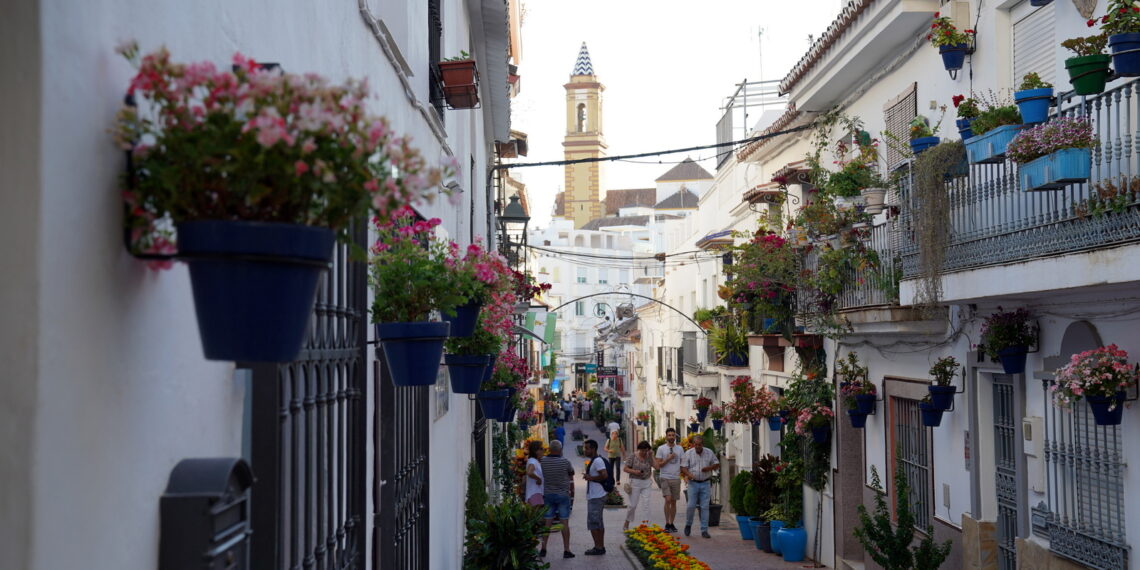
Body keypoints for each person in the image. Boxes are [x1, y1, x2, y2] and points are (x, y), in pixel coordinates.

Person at [539, 440, 576, 559]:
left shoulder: (543, 461)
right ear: (560, 450)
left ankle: (543, 548)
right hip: (562, 495)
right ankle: (566, 550)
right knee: (564, 522)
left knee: (547, 522)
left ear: (549, 449)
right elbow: (571, 473)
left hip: (548, 494)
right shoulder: (565, 461)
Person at [680, 435, 720, 539]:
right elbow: (683, 467)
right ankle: (688, 524)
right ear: (693, 444)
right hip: (693, 483)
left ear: (703, 444)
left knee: (704, 507)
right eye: (696, 444)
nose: (698, 446)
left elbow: (717, 464)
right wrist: (689, 475)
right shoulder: (688, 453)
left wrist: (709, 468)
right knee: (691, 506)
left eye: (700, 444)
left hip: (705, 483)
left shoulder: (709, 452)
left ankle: (704, 530)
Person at [582, 439, 608, 555]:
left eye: (587, 448)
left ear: (593, 449)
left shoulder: (597, 461)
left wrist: (591, 478)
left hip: (596, 496)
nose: (585, 450)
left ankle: (598, 547)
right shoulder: (595, 460)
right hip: (596, 495)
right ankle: (600, 546)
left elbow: (604, 475)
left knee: (593, 523)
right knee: (598, 522)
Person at [654, 428, 682, 532]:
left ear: (675, 437)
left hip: (676, 478)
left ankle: (671, 523)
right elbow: (658, 465)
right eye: (669, 435)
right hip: (665, 477)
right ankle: (666, 523)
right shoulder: (661, 449)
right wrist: (668, 459)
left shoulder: (680, 449)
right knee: (668, 499)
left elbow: (682, 463)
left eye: (673, 435)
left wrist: (685, 476)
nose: (671, 437)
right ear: (666, 436)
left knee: (674, 502)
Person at [622, 441, 654, 531]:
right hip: (635, 482)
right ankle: (627, 522)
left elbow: (657, 466)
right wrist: (635, 471)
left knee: (646, 504)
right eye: (642, 451)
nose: (644, 453)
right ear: (639, 449)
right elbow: (625, 468)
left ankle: (646, 525)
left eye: (646, 451)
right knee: (632, 505)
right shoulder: (633, 456)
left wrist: (651, 456)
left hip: (646, 482)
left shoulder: (649, 456)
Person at [525, 440, 545, 507]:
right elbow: (529, 472)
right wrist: (538, 479)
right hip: (535, 492)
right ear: (535, 451)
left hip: (536, 492)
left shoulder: (535, 461)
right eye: (541, 448)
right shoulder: (533, 461)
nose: (543, 450)